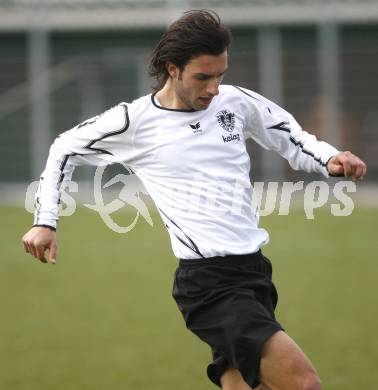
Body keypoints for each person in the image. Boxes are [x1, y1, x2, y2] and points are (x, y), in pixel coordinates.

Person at [22, 10, 367, 390]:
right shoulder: (134, 121)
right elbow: (64, 148)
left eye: (220, 75)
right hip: (208, 285)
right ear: (172, 69)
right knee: (304, 384)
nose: (214, 88)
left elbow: (290, 137)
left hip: (254, 273)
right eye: (203, 77)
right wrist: (45, 220)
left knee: (245, 385)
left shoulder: (235, 103)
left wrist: (329, 159)